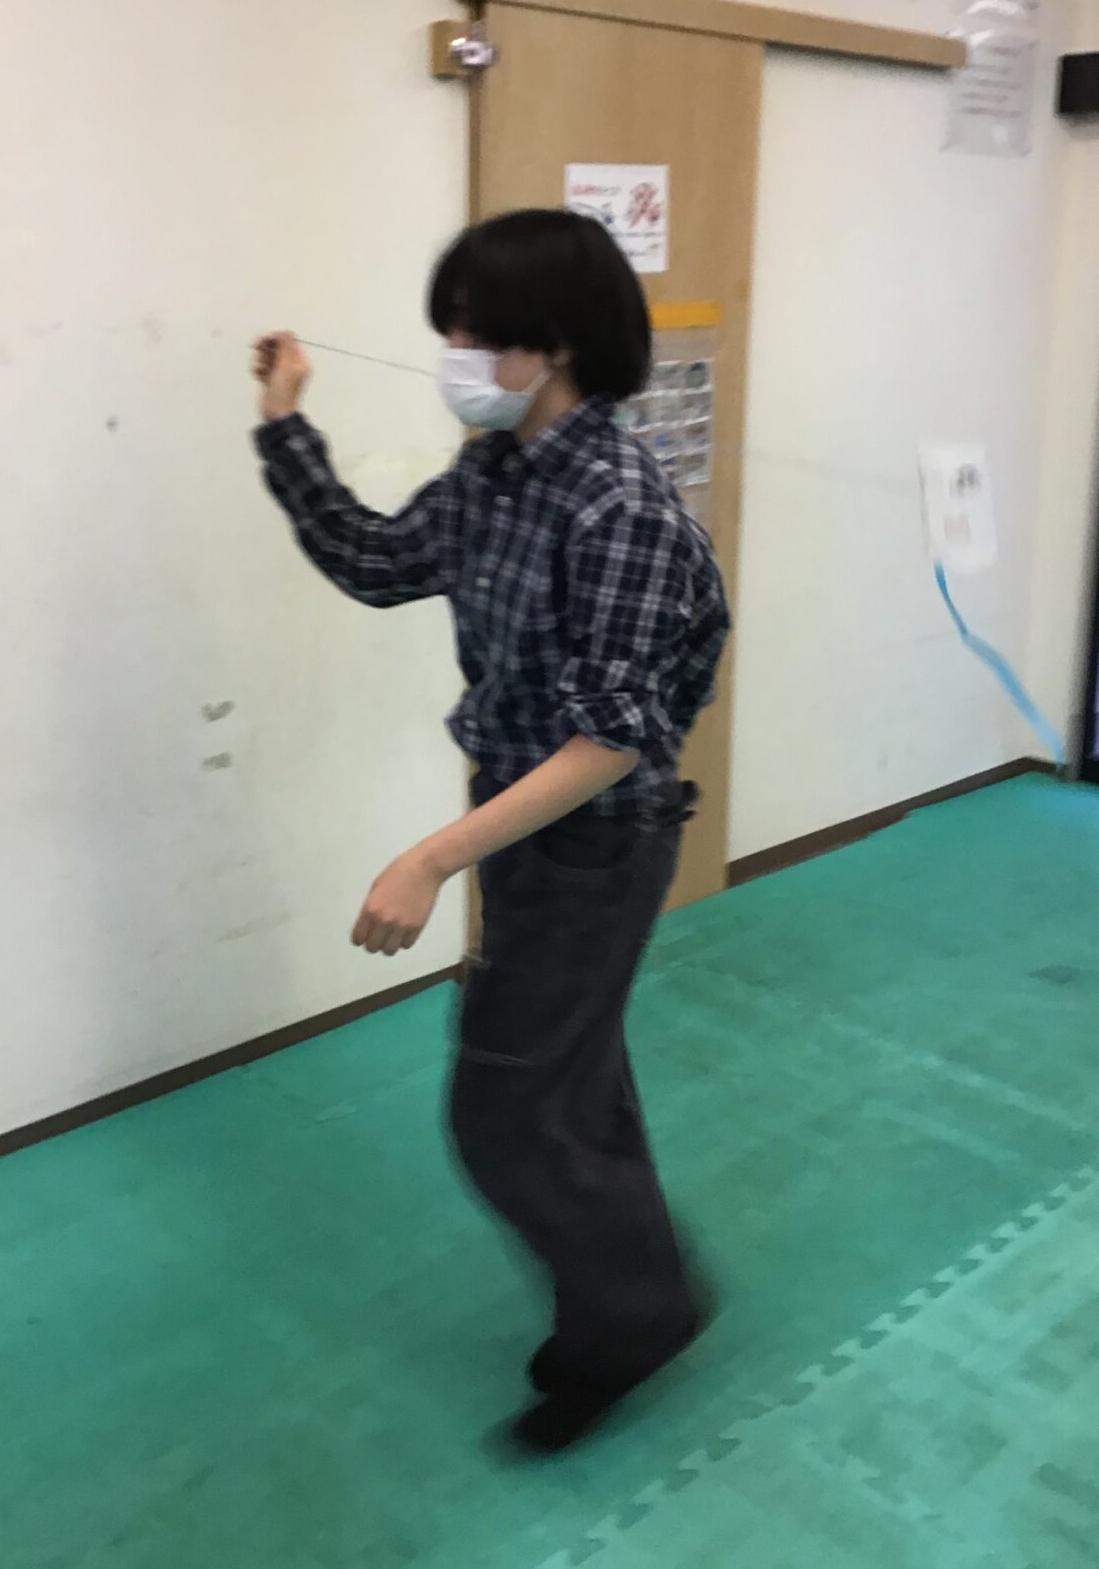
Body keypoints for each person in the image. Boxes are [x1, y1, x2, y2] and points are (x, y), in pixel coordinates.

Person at [252, 208, 729, 1452]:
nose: (454, 357)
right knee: (572, 1079)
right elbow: (375, 560)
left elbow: (610, 741)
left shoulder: (619, 508)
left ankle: (634, 1322)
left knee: (505, 1111)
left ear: (553, 344)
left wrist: (427, 860)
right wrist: (285, 423)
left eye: (473, 334)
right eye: (452, 332)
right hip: (520, 823)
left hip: (597, 839)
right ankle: (645, 1286)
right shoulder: (496, 471)